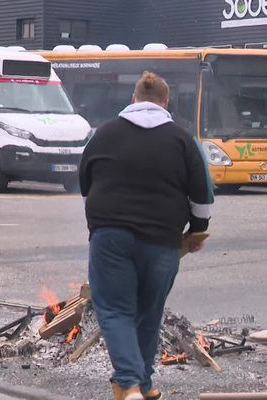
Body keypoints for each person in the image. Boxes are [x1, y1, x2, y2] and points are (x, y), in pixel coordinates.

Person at [79, 71, 213, 400]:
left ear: (133, 100)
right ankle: (145, 383)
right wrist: (196, 232)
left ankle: (128, 383)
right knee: (149, 312)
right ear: (166, 103)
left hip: (111, 236)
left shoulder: (103, 134)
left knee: (114, 310)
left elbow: (85, 182)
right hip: (163, 240)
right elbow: (202, 197)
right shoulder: (182, 139)